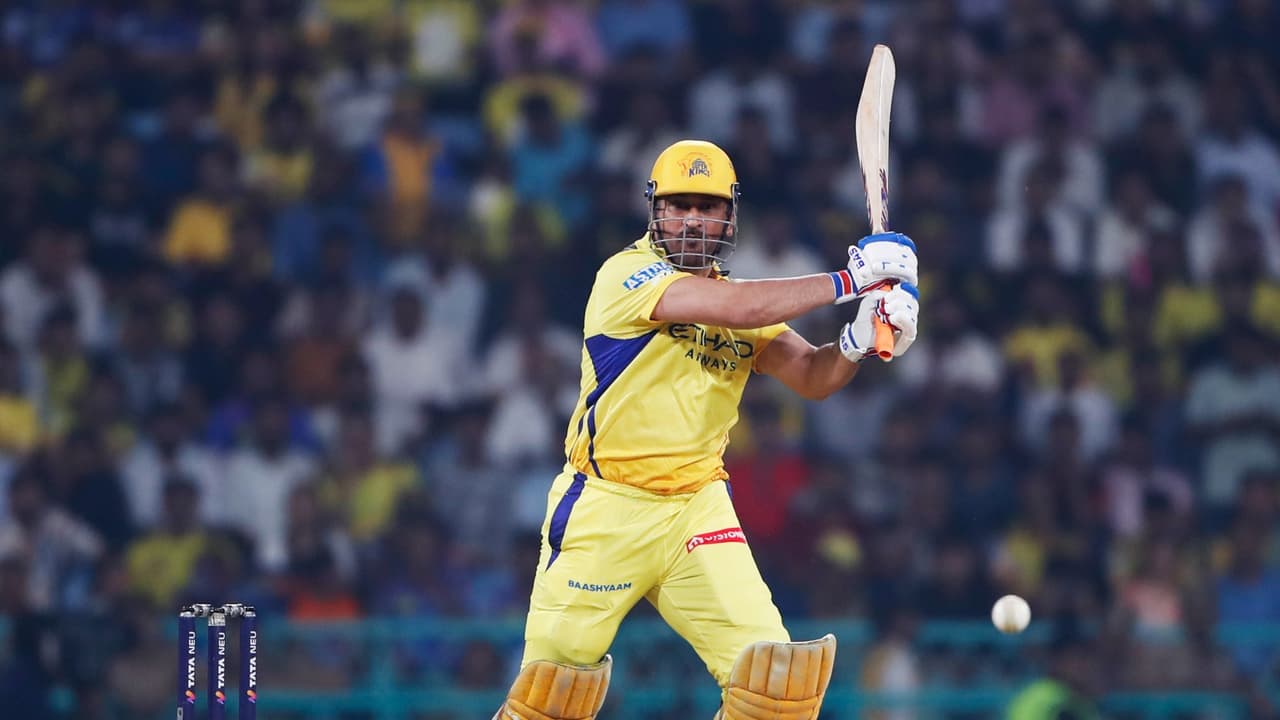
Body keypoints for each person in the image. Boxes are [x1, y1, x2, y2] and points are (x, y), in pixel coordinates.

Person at [492, 139, 920, 720]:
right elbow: (736, 309)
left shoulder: (740, 300)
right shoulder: (625, 274)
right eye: (679, 205)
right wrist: (852, 280)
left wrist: (857, 340)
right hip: (606, 504)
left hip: (696, 508)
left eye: (708, 206)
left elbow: (813, 376)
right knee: (551, 697)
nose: (692, 219)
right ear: (655, 210)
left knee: (777, 686)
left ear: (729, 216)